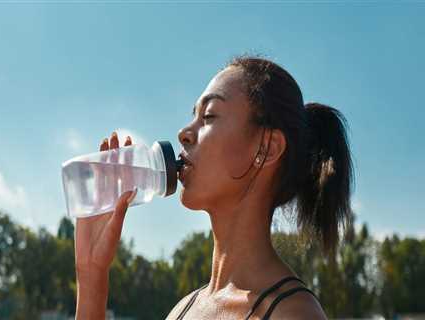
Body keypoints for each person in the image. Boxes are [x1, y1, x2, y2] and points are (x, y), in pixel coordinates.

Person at [74, 56, 354, 319]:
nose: (184, 133)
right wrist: (91, 274)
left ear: (267, 148)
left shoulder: (293, 313)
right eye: (193, 115)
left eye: (208, 116)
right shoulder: (184, 309)